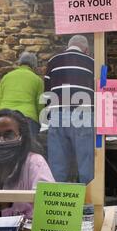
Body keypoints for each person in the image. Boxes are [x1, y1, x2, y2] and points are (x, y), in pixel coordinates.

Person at [44, 35, 94, 184]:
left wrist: (48, 115)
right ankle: (88, 202)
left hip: (58, 114)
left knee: (57, 161)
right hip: (83, 113)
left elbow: (47, 90)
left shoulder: (53, 61)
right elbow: (98, 90)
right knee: (86, 160)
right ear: (86, 50)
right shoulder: (91, 62)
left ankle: (58, 201)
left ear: (68, 46)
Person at [0, 52, 44, 136]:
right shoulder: (37, 80)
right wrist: (41, 122)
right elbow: (40, 104)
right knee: (28, 147)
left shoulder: (7, 77)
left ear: (19, 63)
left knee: (6, 146)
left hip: (5, 115)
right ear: (34, 66)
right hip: (28, 118)